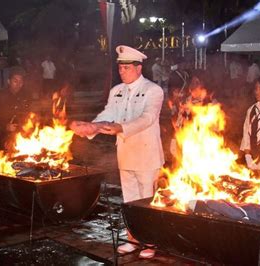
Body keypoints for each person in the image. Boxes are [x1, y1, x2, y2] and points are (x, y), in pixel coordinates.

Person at [70, 45, 164, 259]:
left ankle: (150, 240)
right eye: (120, 67)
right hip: (126, 154)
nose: (122, 71)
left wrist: (122, 127)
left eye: (127, 67)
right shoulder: (117, 91)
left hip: (147, 155)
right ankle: (133, 238)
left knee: (147, 199)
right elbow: (109, 113)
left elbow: (147, 118)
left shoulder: (153, 90)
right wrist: (91, 127)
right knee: (130, 199)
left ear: (139, 68)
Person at [0, 66, 31, 150]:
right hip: (2, 136)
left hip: (19, 136)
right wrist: (6, 126)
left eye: (21, 81)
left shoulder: (25, 96)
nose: (18, 84)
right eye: (15, 81)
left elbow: (27, 115)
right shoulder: (0, 95)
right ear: (9, 81)